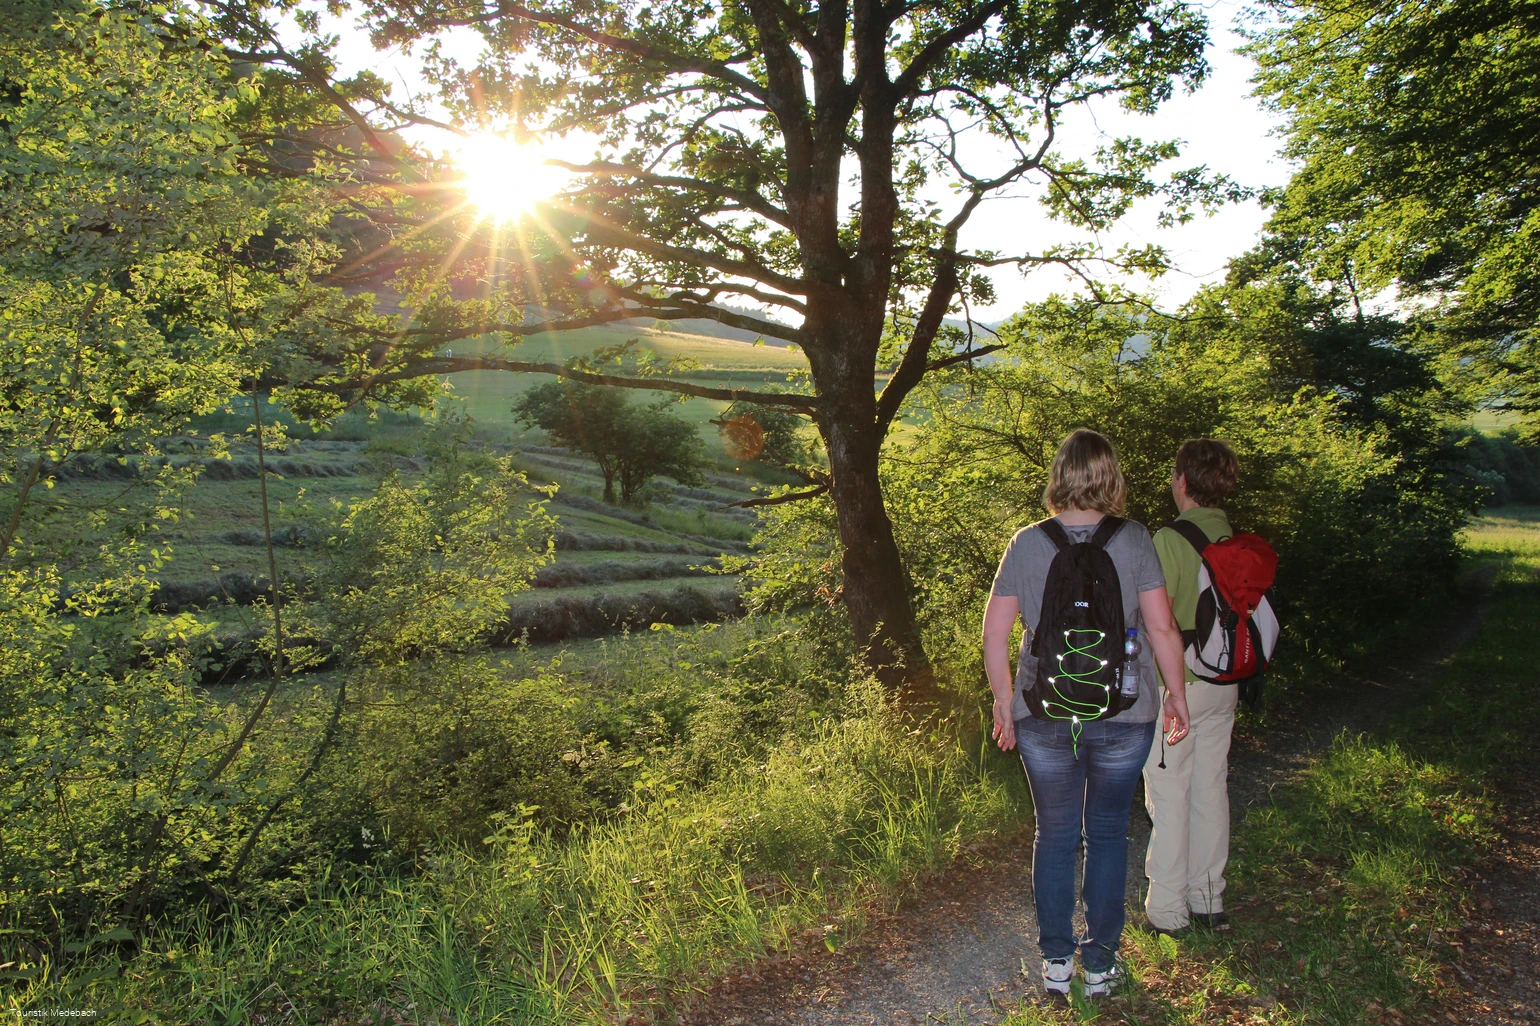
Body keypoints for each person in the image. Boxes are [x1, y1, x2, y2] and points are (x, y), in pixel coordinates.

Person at [983, 429, 1191, 998]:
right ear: (1112, 479)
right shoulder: (1136, 539)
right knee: (1106, 834)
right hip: (1124, 713)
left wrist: (1004, 701)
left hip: (1040, 711)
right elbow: (1162, 626)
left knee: (1054, 834)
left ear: (1058, 476)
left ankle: (1055, 962)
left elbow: (995, 631)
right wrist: (1175, 693)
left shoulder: (1026, 542)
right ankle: (1099, 963)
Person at [1142, 438, 1241, 935]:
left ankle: (1166, 911)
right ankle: (1208, 899)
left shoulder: (1170, 538)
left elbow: (1157, 620)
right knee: (1209, 788)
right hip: (1226, 683)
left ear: (1182, 480)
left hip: (1178, 684)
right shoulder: (1233, 537)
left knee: (1169, 791)